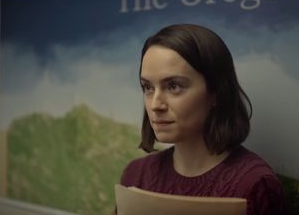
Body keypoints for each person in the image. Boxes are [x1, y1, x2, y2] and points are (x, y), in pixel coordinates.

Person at [117, 24, 286, 215]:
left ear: (216, 92)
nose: (155, 104)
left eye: (173, 86)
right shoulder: (136, 174)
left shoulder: (256, 184)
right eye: (148, 87)